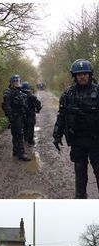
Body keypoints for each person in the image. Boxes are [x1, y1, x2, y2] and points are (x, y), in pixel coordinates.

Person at [53, 59, 99, 198]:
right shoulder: (68, 95)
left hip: (96, 141)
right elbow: (62, 116)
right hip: (78, 141)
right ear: (74, 76)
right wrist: (57, 135)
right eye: (79, 74)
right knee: (80, 174)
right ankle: (80, 199)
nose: (82, 76)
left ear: (90, 74)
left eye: (85, 73)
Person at [2, 74, 31, 161]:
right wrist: (11, 117)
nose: (16, 83)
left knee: (16, 134)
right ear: (11, 82)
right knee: (19, 134)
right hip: (14, 116)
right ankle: (21, 154)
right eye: (14, 81)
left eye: (17, 81)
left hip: (20, 116)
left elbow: (23, 103)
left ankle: (16, 151)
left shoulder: (19, 91)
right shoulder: (8, 91)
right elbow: (6, 106)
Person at [21, 81, 42, 145]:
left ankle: (26, 138)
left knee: (25, 126)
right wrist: (38, 109)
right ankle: (30, 141)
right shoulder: (32, 96)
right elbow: (38, 103)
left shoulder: (20, 96)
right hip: (31, 114)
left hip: (23, 114)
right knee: (31, 127)